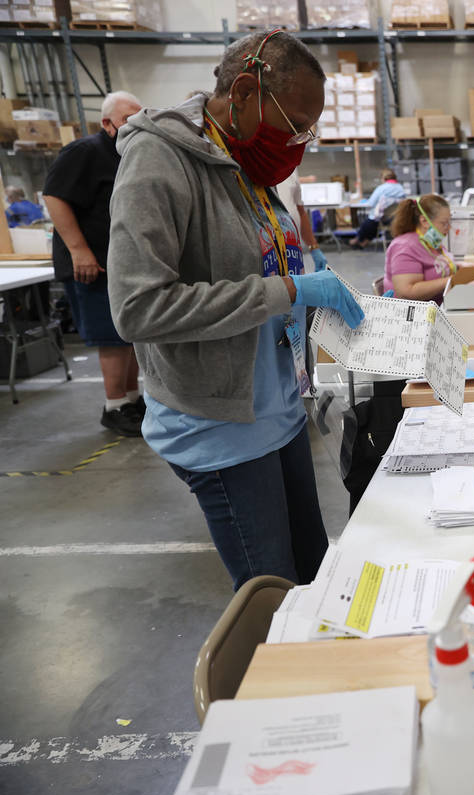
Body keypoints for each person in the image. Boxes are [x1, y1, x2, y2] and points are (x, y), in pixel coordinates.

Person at [107, 30, 365, 590]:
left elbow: (261, 262)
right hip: (221, 424)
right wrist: (289, 293)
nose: (299, 140)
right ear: (244, 92)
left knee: (314, 582)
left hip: (279, 410)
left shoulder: (243, 158)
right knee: (272, 598)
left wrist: (310, 302)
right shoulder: (160, 159)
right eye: (296, 124)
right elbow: (138, 307)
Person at [43, 90, 144, 437]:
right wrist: (79, 250)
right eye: (129, 119)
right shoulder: (85, 152)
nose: (137, 125)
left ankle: (132, 399)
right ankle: (115, 406)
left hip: (119, 264)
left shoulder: (127, 155)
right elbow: (54, 197)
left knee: (128, 333)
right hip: (92, 264)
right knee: (111, 336)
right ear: (107, 123)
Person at [382, 194, 455, 301]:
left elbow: (438, 266)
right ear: (424, 221)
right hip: (412, 314)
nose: (448, 227)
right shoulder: (405, 246)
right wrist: (451, 280)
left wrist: (461, 268)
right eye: (444, 223)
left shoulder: (430, 243)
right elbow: (406, 292)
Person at [277, 169, 327, 271]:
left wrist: (314, 247)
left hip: (292, 248)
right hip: (270, 249)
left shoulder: (291, 167)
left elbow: (300, 211)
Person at [348, 169, 408, 248]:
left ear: (383, 178)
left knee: (369, 221)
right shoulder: (401, 188)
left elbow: (371, 203)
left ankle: (358, 240)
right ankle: (363, 242)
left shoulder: (381, 188)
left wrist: (363, 201)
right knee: (372, 222)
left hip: (382, 219)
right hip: (395, 218)